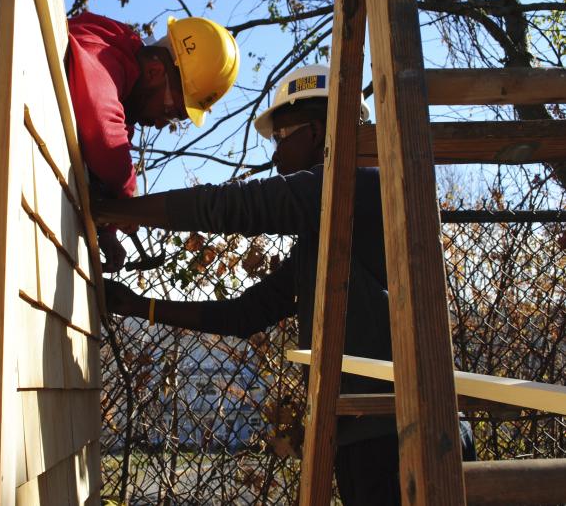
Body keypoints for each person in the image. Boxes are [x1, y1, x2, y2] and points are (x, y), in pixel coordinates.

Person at [92, 64, 475, 505]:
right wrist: (137, 305)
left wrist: (118, 210)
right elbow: (244, 315)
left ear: (314, 132)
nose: (274, 155)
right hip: (365, 436)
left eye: (280, 136)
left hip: (403, 433)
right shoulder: (327, 235)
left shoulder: (368, 188)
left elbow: (238, 207)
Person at [66, 12, 240, 271]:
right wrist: (128, 195)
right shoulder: (107, 47)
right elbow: (101, 130)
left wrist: (108, 229)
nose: (160, 124)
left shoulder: (126, 93)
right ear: (155, 71)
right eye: (171, 112)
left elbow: (102, 164)